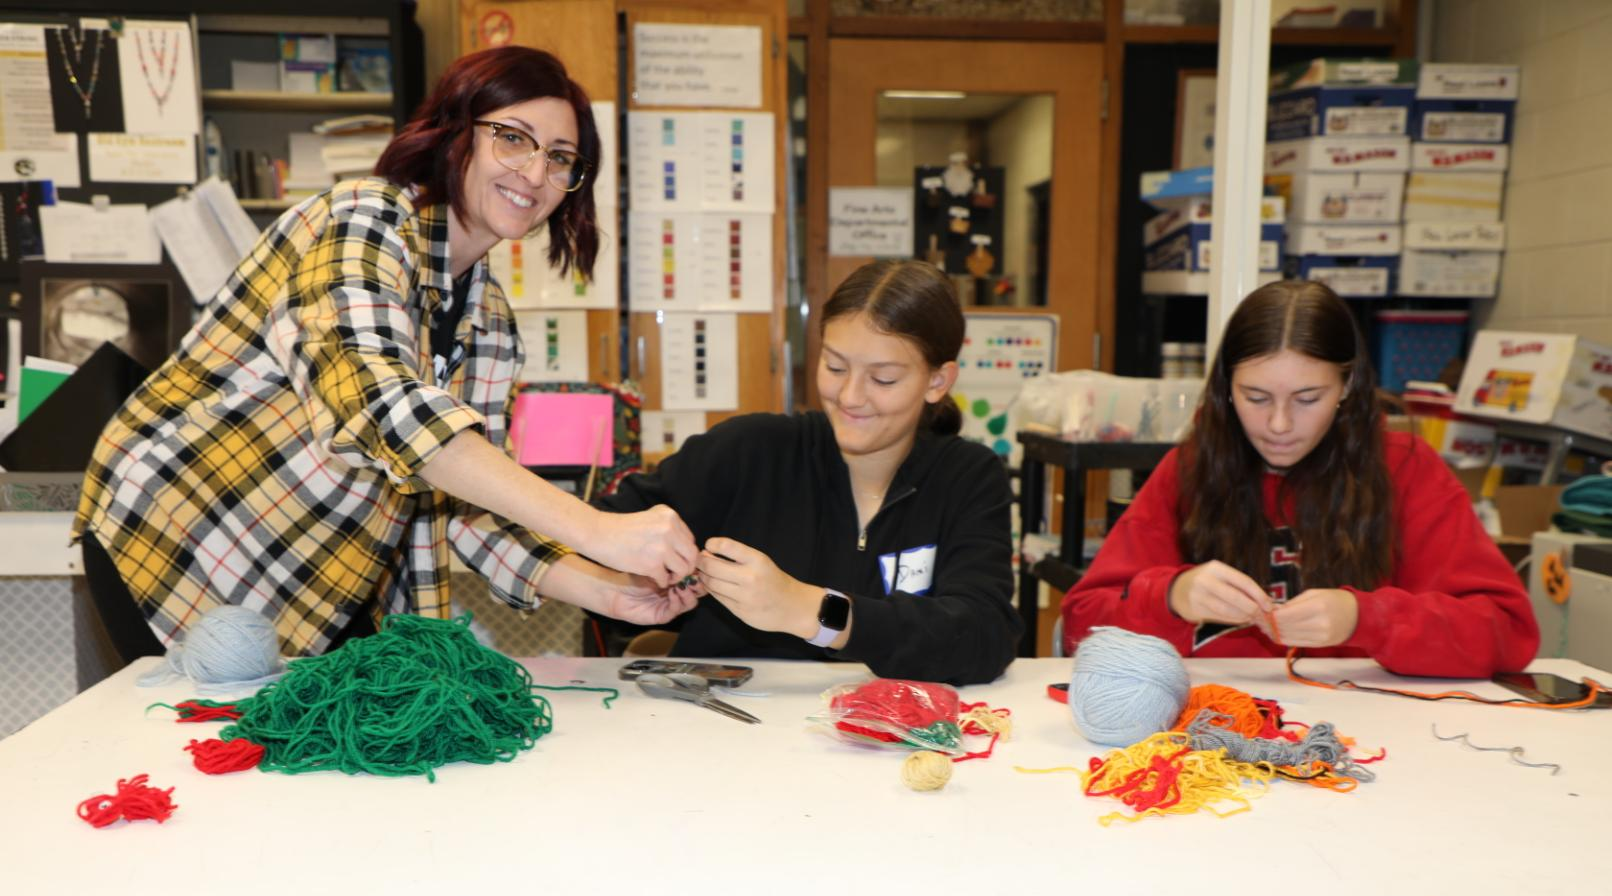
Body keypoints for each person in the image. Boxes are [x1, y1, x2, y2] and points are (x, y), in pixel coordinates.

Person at [73, 47, 699, 662]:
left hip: (315, 585)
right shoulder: (364, 219)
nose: (535, 175)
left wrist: (609, 592)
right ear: (455, 133)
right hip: (173, 540)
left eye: (559, 157)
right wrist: (596, 529)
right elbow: (380, 404)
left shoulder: (490, 323)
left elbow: (470, 506)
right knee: (198, 730)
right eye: (513, 138)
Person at [1061, 279, 1538, 679]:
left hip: (1374, 728)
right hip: (1217, 725)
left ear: (1348, 385)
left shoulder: (1406, 468)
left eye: (1308, 399)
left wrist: (1365, 619)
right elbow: (1081, 626)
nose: (1280, 425)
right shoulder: (1190, 470)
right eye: (1255, 397)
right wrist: (1171, 596)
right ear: (1226, 388)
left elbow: (1507, 633)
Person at [599, 259, 1020, 685]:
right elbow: (597, 547)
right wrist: (639, 577)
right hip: (722, 719)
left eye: (883, 379)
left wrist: (807, 609)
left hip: (890, 726)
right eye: (835, 367)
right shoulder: (747, 452)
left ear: (937, 381)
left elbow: (984, 635)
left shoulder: (968, 477)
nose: (850, 396)